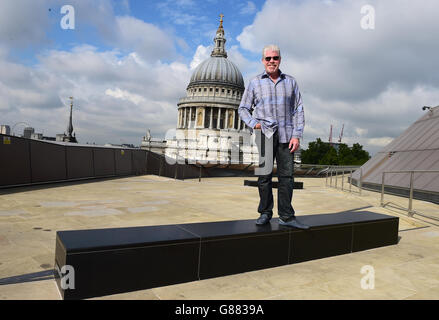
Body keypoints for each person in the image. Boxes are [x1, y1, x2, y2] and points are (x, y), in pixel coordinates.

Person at [238, 44, 309, 229]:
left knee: (287, 177)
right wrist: (255, 124)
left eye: (275, 58)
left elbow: (298, 110)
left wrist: (297, 135)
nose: (271, 61)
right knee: (264, 176)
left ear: (280, 60)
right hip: (264, 135)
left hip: (287, 136)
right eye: (268, 58)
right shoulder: (254, 83)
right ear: (263, 61)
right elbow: (243, 108)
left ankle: (286, 215)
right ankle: (265, 212)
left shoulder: (291, 82)